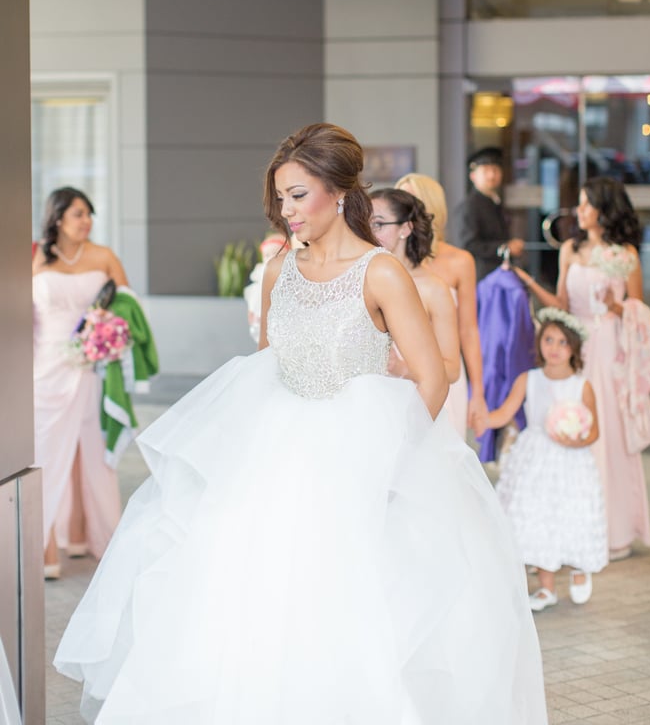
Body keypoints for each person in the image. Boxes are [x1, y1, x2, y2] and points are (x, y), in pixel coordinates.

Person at [55, 123, 548, 725]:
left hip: (357, 462)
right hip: (275, 463)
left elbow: (433, 377)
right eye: (280, 198)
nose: (286, 212)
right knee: (249, 607)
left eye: (298, 196)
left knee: (348, 612)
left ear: (339, 192)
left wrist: (393, 458)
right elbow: (267, 366)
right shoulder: (278, 269)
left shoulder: (380, 272)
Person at [514, 177, 650, 559]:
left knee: (604, 430)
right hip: (576, 348)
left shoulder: (626, 254)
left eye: (587, 204)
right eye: (579, 204)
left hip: (608, 348)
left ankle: (614, 529)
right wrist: (528, 282)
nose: (580, 211)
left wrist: (615, 306)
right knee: (566, 421)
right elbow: (560, 303)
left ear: (605, 210)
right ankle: (569, 527)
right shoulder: (570, 250)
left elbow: (640, 311)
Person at [32, 187, 129, 579]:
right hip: (45, 367)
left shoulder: (103, 256)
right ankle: (43, 544)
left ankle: (90, 535)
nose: (86, 220)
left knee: (92, 451)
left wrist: (109, 334)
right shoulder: (35, 257)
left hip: (92, 366)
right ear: (57, 219)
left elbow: (128, 306)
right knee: (45, 454)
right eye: (77, 214)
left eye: (89, 213)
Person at [488, 307, 607, 612]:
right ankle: (546, 587)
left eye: (562, 343)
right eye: (549, 340)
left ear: (574, 349)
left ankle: (580, 568)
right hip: (535, 458)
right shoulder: (528, 379)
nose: (554, 348)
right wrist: (484, 420)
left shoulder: (582, 386)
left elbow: (594, 431)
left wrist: (576, 438)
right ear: (539, 343)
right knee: (535, 516)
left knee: (571, 512)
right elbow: (505, 412)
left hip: (571, 460)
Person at [394, 172, 487, 437]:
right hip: (398, 373)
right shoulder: (389, 261)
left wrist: (478, 393)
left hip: (446, 372)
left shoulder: (460, 261)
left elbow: (468, 330)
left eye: (412, 199)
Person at [369, 188, 462, 384]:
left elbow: (452, 370)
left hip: (412, 396)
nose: (369, 232)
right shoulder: (362, 279)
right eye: (364, 223)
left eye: (378, 224)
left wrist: (402, 368)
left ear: (405, 229)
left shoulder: (433, 288)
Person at [453, 147, 525, 282]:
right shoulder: (470, 206)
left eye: (496, 170)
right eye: (486, 170)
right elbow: (468, 245)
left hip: (499, 274)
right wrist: (505, 248)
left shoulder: (495, 202)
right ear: (473, 176)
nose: (492, 175)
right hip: (481, 277)